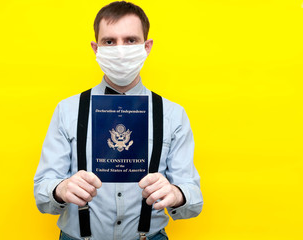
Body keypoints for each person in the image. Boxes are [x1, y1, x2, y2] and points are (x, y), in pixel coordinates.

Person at [34, 1, 203, 240]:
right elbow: (42, 192)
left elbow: (193, 201)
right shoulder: (68, 109)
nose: (120, 50)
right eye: (110, 41)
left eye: (131, 40)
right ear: (96, 48)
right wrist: (60, 189)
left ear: (147, 46)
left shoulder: (172, 114)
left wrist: (177, 194)